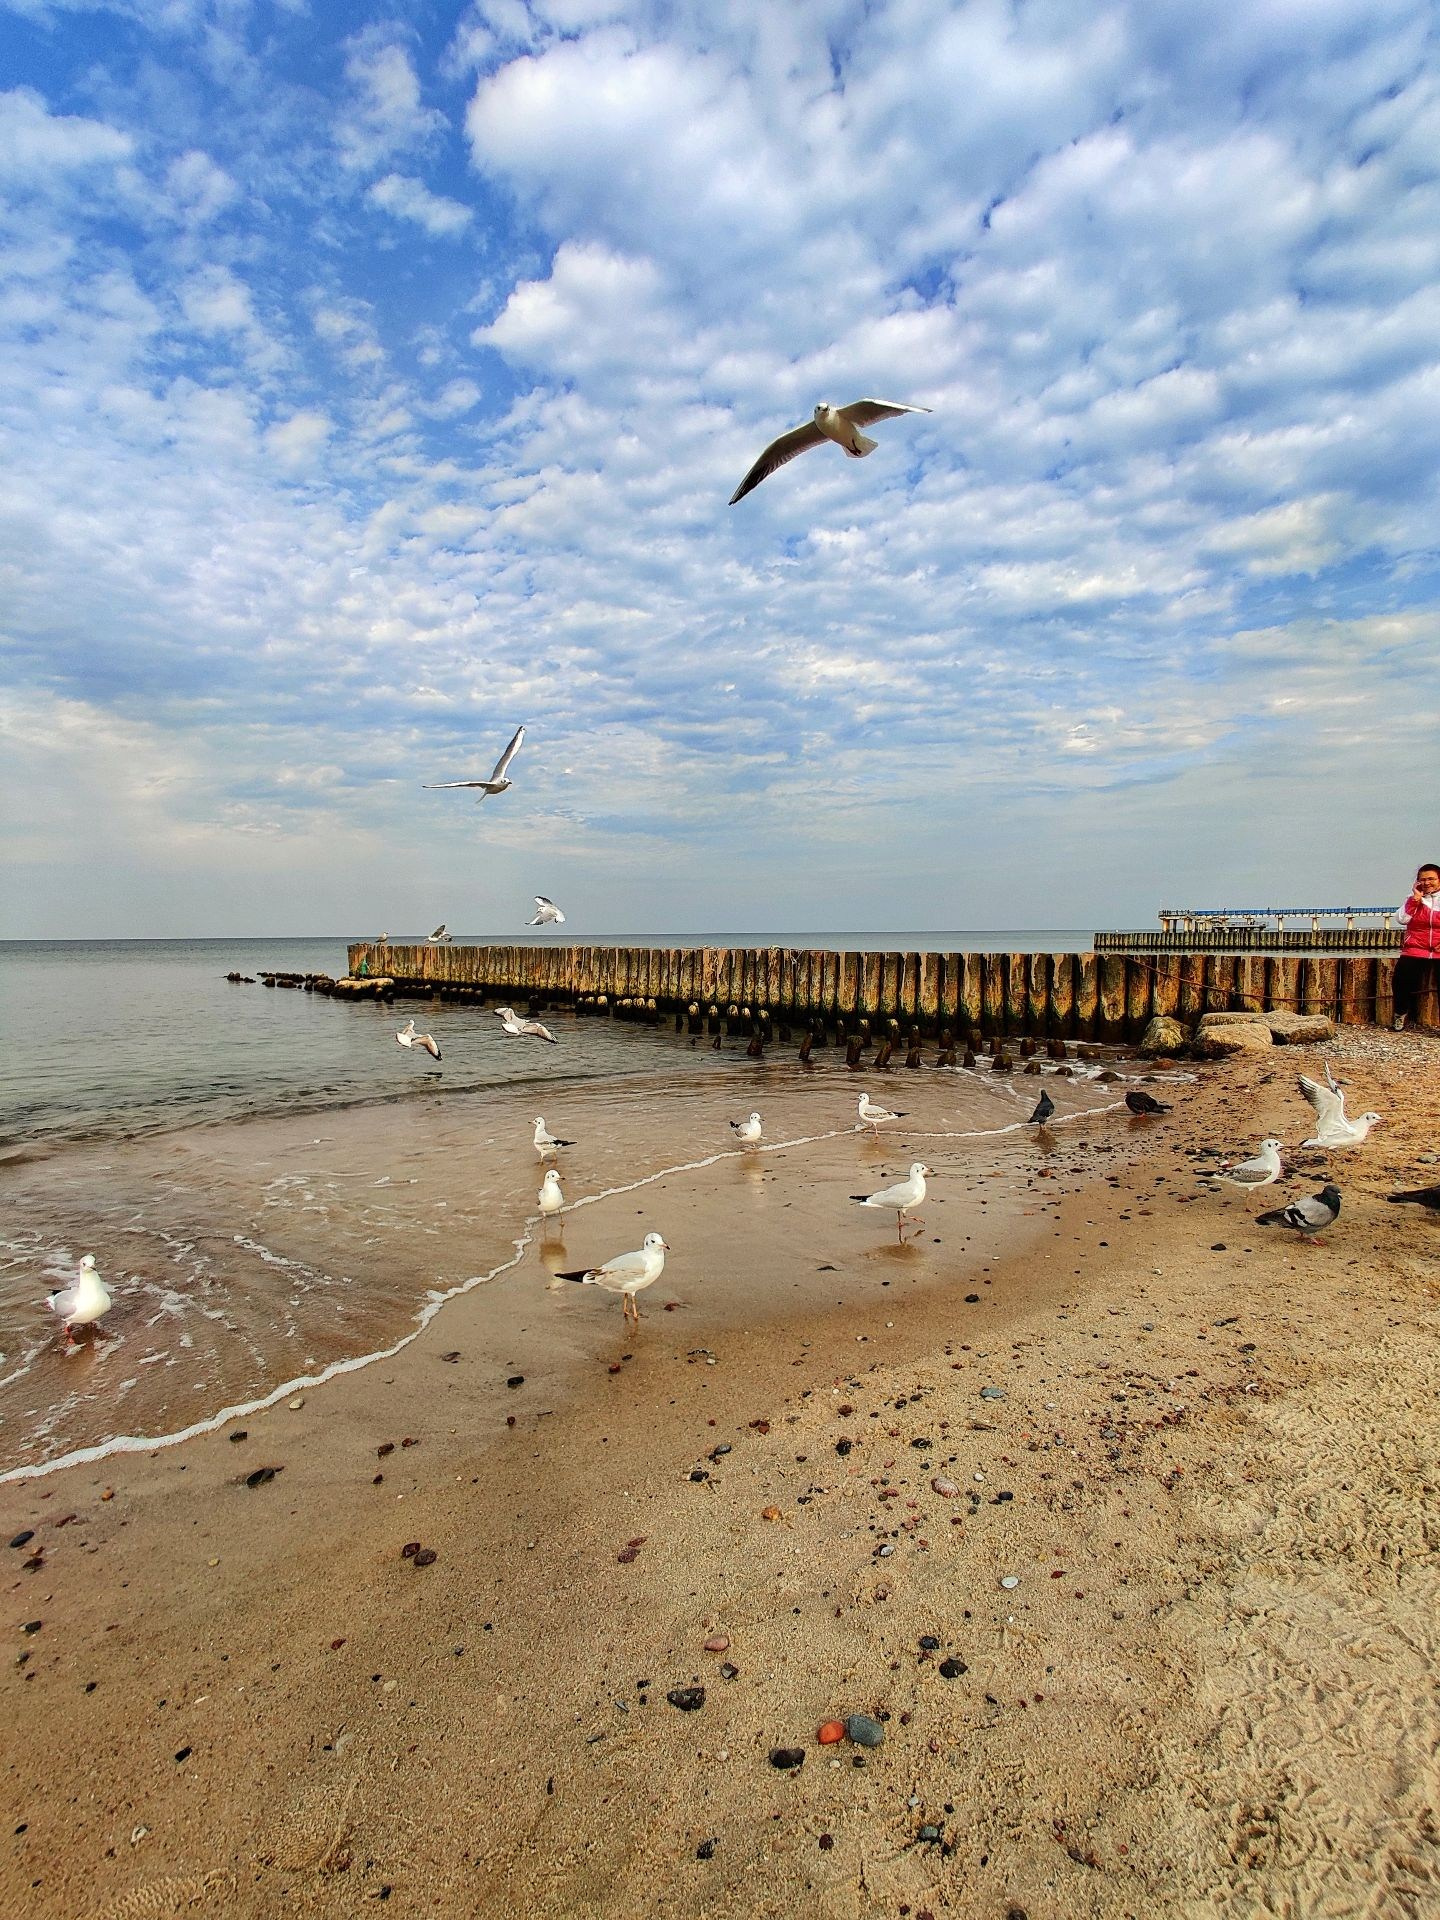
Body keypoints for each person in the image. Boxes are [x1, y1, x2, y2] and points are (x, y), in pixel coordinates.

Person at [1392, 863, 1440, 1031]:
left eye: (1431, 879)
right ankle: (1400, 1014)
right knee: (1401, 978)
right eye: (1423, 879)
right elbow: (1402, 919)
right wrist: (1415, 900)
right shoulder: (1414, 899)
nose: (1427, 883)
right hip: (1415, 947)